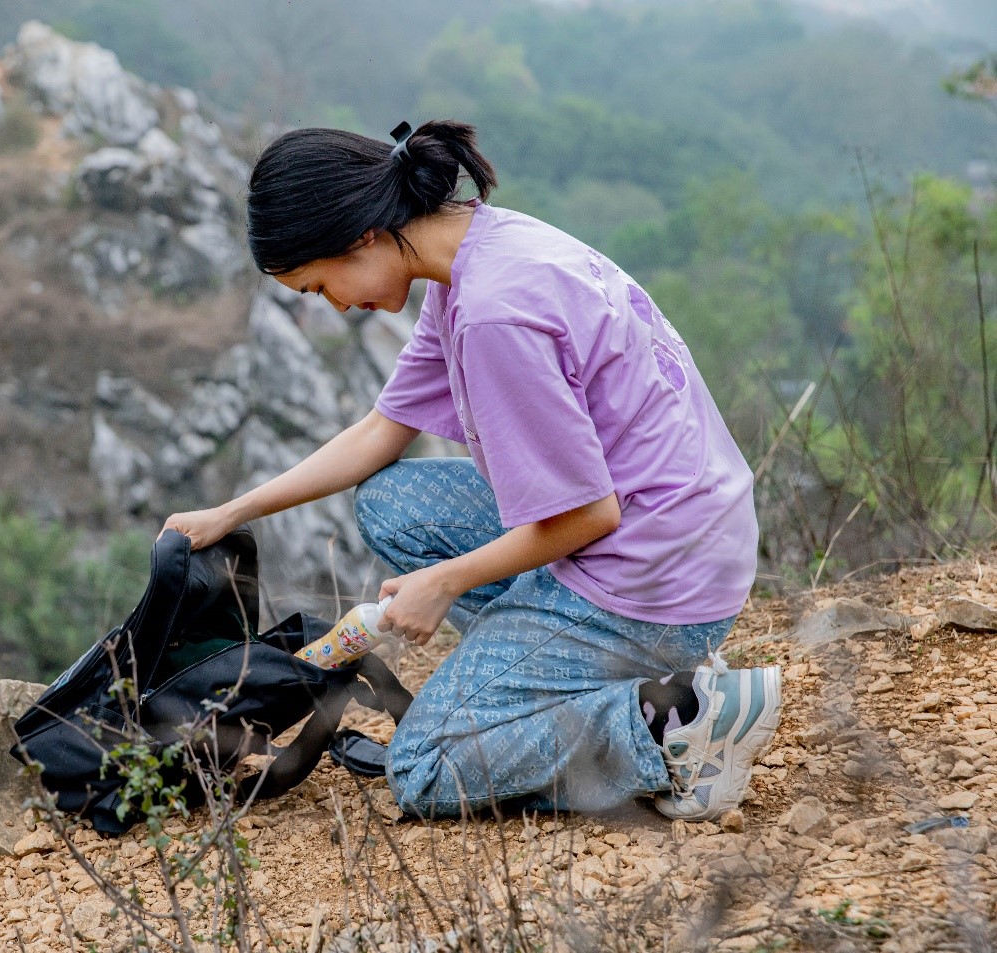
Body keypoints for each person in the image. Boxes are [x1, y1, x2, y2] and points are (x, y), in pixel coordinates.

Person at [160, 119, 780, 821]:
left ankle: (667, 722)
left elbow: (586, 516)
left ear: (360, 236)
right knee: (392, 504)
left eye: (318, 285)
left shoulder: (492, 315)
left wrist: (445, 581)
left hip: (653, 579)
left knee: (424, 765)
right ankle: (578, 671)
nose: (333, 303)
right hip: (685, 530)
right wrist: (234, 511)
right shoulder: (471, 254)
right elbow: (379, 431)